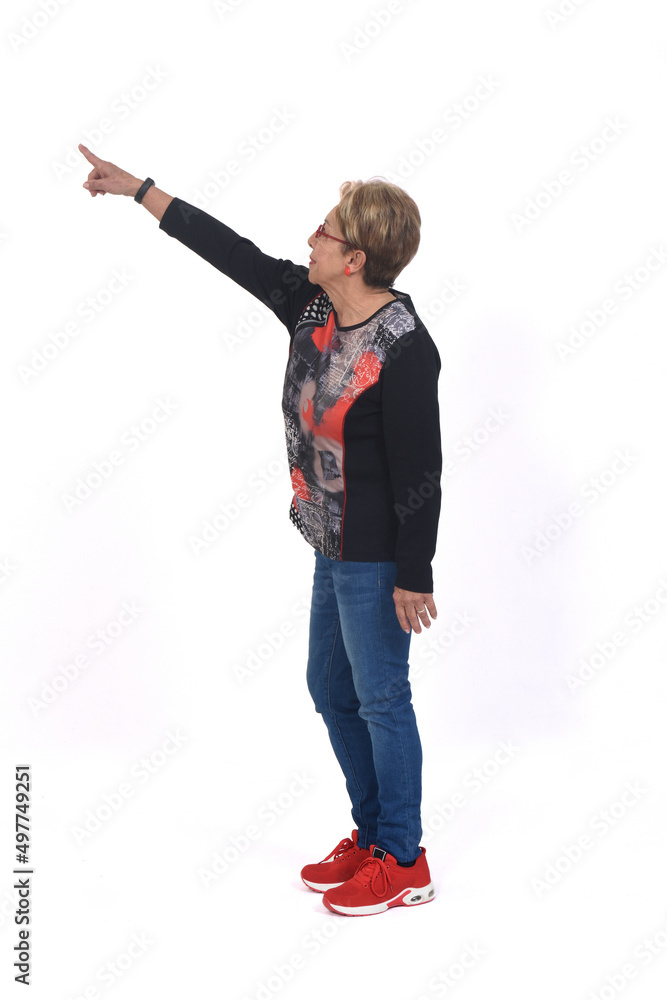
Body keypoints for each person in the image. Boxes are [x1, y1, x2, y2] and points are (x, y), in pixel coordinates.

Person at [79, 143, 442, 917]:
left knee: (381, 698)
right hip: (327, 538)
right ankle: (373, 834)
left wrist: (414, 573)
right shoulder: (310, 304)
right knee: (329, 688)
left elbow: (422, 470)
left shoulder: (404, 347)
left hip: (375, 555)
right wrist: (141, 190)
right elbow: (229, 250)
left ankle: (404, 859)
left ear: (354, 258)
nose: (309, 237)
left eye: (324, 231)